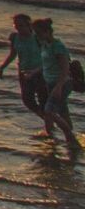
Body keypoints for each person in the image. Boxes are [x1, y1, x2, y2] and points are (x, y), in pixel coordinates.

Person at [32, 18, 80, 155]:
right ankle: (55, 135)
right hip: (51, 82)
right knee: (63, 111)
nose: (37, 36)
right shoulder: (46, 45)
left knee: (49, 111)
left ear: (47, 32)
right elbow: (46, 64)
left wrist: (58, 87)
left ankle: (71, 139)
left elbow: (65, 69)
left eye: (39, 33)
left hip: (62, 83)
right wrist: (33, 73)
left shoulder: (58, 46)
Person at [0, 13, 49, 117]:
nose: (18, 28)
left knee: (43, 100)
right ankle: (46, 119)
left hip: (40, 72)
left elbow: (48, 55)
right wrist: (2, 67)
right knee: (28, 101)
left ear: (29, 25)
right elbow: (13, 54)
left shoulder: (37, 37)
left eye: (21, 26)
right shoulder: (14, 37)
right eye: (16, 26)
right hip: (24, 72)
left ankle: (50, 125)